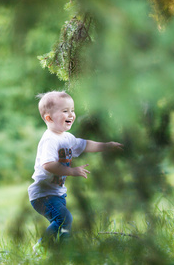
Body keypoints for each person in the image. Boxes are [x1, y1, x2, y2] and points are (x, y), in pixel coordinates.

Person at [28, 91, 123, 251]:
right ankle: (41, 247)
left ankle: (61, 249)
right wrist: (72, 171)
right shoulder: (50, 139)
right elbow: (48, 164)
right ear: (49, 118)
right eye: (65, 111)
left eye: (72, 110)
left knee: (63, 221)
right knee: (65, 219)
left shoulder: (66, 137)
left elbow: (85, 144)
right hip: (43, 194)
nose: (71, 114)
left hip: (57, 193)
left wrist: (107, 145)